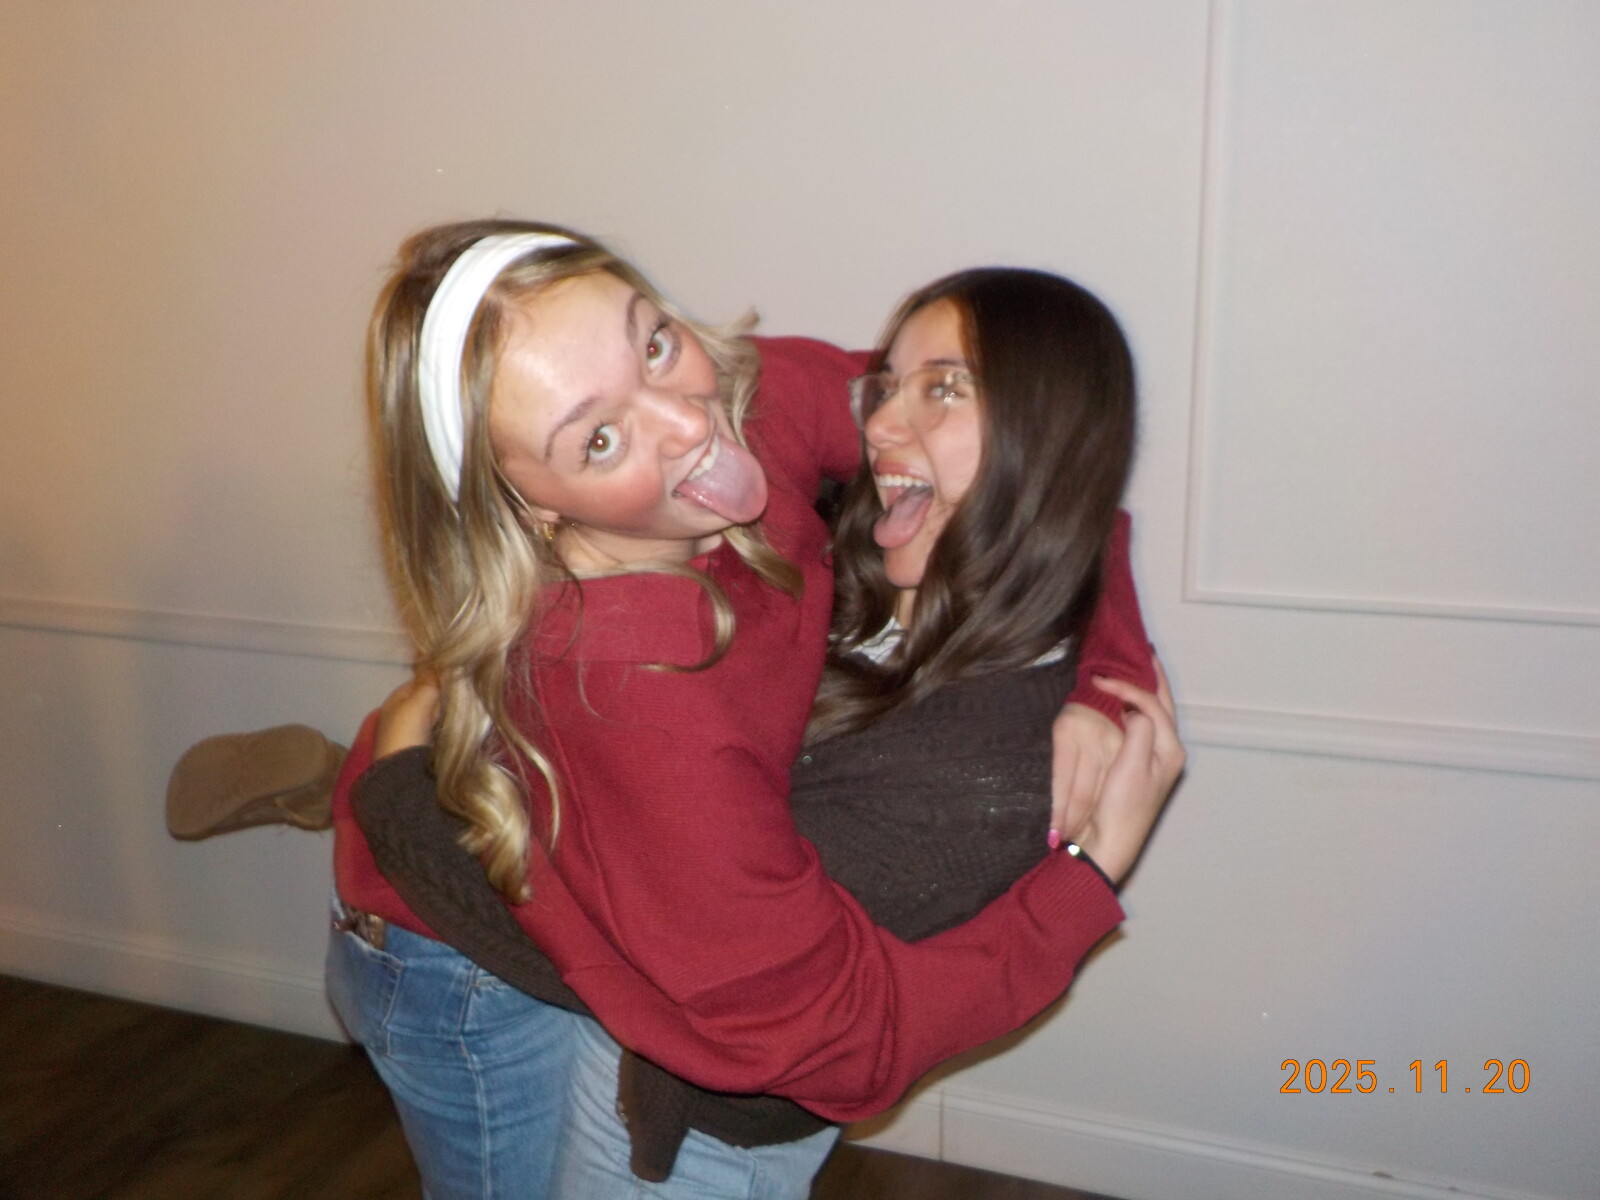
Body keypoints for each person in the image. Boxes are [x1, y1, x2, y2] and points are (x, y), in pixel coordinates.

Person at [327, 221, 1175, 1199]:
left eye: (653, 342)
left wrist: (1110, 680)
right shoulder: (639, 711)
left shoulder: (741, 410)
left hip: (568, 823)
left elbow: (1042, 443)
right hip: (448, 936)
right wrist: (1087, 879)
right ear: (525, 504)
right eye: (598, 439)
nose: (688, 424)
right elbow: (830, 1036)